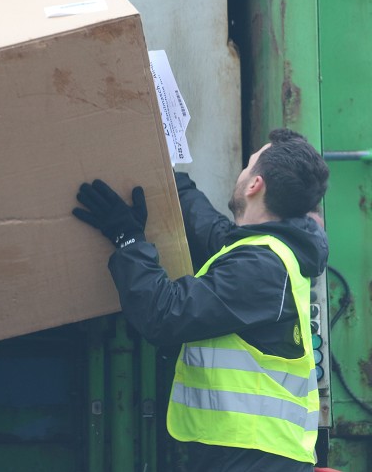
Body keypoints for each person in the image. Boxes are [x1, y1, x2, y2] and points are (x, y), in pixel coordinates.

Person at [73, 128, 329, 471]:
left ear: (254, 185)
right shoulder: (267, 251)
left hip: (252, 457)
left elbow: (164, 314)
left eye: (248, 166)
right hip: (250, 452)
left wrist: (128, 238)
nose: (242, 173)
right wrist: (162, 170)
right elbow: (208, 227)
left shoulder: (262, 267)